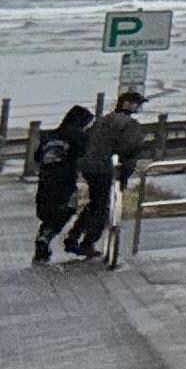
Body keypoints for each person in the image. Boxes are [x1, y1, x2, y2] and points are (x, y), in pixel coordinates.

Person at [64, 89, 150, 264]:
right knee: (103, 206)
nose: (139, 107)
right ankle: (87, 242)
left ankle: (73, 236)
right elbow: (130, 147)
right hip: (105, 168)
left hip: (89, 166)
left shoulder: (103, 120)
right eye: (137, 104)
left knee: (96, 202)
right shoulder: (128, 124)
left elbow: (88, 139)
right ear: (128, 104)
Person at [31, 104, 92, 263]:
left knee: (49, 212)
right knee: (67, 208)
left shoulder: (50, 135)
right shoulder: (78, 136)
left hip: (45, 179)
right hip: (65, 180)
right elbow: (86, 155)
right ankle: (46, 240)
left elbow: (37, 157)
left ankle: (43, 239)